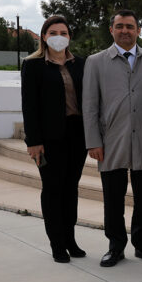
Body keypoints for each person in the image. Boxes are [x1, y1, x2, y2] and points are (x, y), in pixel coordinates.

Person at [82, 10, 142, 267]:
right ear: (111, 30)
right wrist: (93, 141)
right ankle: (115, 246)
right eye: (119, 26)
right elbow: (89, 105)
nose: (125, 30)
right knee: (113, 199)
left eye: (130, 26)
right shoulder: (95, 62)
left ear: (138, 30)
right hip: (111, 141)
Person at [20, 15, 88, 263]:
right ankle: (57, 244)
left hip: (77, 135)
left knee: (71, 188)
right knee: (52, 189)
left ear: (69, 36)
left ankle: (70, 239)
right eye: (53, 33)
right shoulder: (33, 65)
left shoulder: (81, 64)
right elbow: (29, 105)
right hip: (48, 138)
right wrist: (33, 141)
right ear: (44, 36)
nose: (59, 37)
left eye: (63, 33)